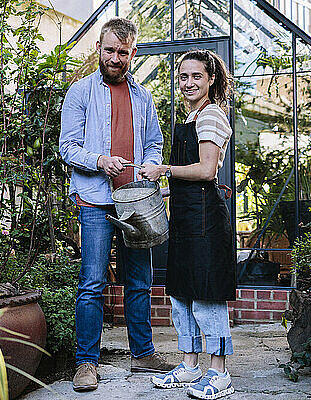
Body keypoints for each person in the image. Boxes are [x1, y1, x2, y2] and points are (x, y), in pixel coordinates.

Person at [59, 17, 173, 392]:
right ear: (98, 49)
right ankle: (86, 363)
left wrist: (151, 169)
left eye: (123, 52)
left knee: (139, 281)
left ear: (133, 53)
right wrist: (100, 160)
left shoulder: (143, 96)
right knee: (92, 283)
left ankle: (143, 355)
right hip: (95, 201)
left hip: (135, 202)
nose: (115, 57)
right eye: (109, 50)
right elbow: (68, 148)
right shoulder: (79, 92)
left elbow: (154, 142)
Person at [139, 49, 236, 399]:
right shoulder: (192, 116)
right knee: (181, 295)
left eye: (197, 76)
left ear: (211, 80)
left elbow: (207, 171)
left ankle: (219, 372)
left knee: (206, 297)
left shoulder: (210, 116)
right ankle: (190, 365)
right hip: (183, 219)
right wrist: (161, 190)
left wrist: (164, 169)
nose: (189, 83)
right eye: (183, 76)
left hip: (205, 222)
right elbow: (189, 176)